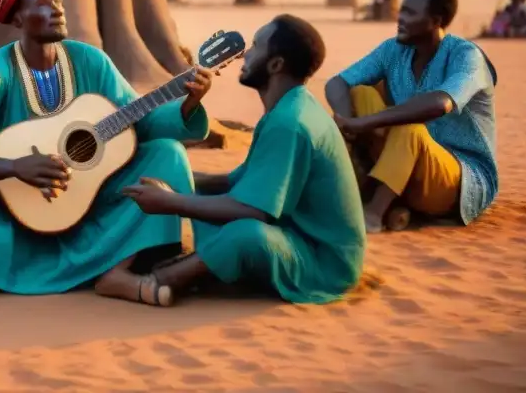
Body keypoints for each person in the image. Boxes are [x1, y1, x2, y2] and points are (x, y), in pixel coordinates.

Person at [0, 0, 213, 306]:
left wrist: (187, 104)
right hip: (12, 207)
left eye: (59, 3)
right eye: (44, 5)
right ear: (18, 17)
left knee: (167, 153)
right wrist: (13, 167)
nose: (58, 11)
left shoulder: (92, 61)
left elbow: (138, 119)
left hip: (86, 202)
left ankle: (118, 271)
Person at [124, 15, 366, 305]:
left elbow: (254, 212)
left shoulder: (290, 122)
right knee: (203, 196)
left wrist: (170, 202)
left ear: (276, 65)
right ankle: (191, 264)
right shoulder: (288, 107)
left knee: (245, 233)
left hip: (323, 265)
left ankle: (165, 279)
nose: (246, 54)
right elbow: (237, 182)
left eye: (255, 46)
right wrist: (183, 179)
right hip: (292, 235)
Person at [325, 0, 498, 233]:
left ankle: (373, 214)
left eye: (410, 13)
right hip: (401, 163)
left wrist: (364, 123)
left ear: (435, 20)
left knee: (410, 129)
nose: (400, 17)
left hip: (457, 181)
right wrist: (347, 119)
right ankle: (363, 188)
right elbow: (338, 82)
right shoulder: (394, 49)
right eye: (402, 10)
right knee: (360, 93)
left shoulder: (466, 56)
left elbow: (440, 103)